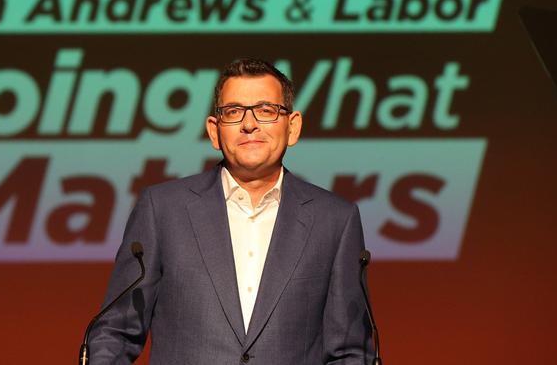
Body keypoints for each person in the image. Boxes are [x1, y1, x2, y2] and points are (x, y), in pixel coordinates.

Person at [89, 58, 373, 364]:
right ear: (214, 131)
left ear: (293, 127)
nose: (249, 124)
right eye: (234, 112)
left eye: (266, 110)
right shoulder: (162, 210)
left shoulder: (334, 220)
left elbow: (350, 351)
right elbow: (115, 332)